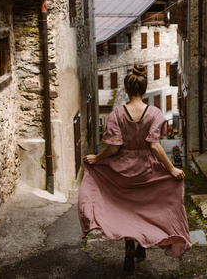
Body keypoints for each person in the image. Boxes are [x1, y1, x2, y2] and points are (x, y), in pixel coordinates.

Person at [78, 64, 192, 272]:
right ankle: (141, 245)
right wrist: (172, 169)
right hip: (147, 169)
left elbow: (113, 149)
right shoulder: (155, 113)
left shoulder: (117, 113)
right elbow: (154, 145)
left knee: (126, 210)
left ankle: (130, 244)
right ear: (145, 89)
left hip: (123, 170)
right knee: (146, 210)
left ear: (126, 89)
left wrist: (96, 158)